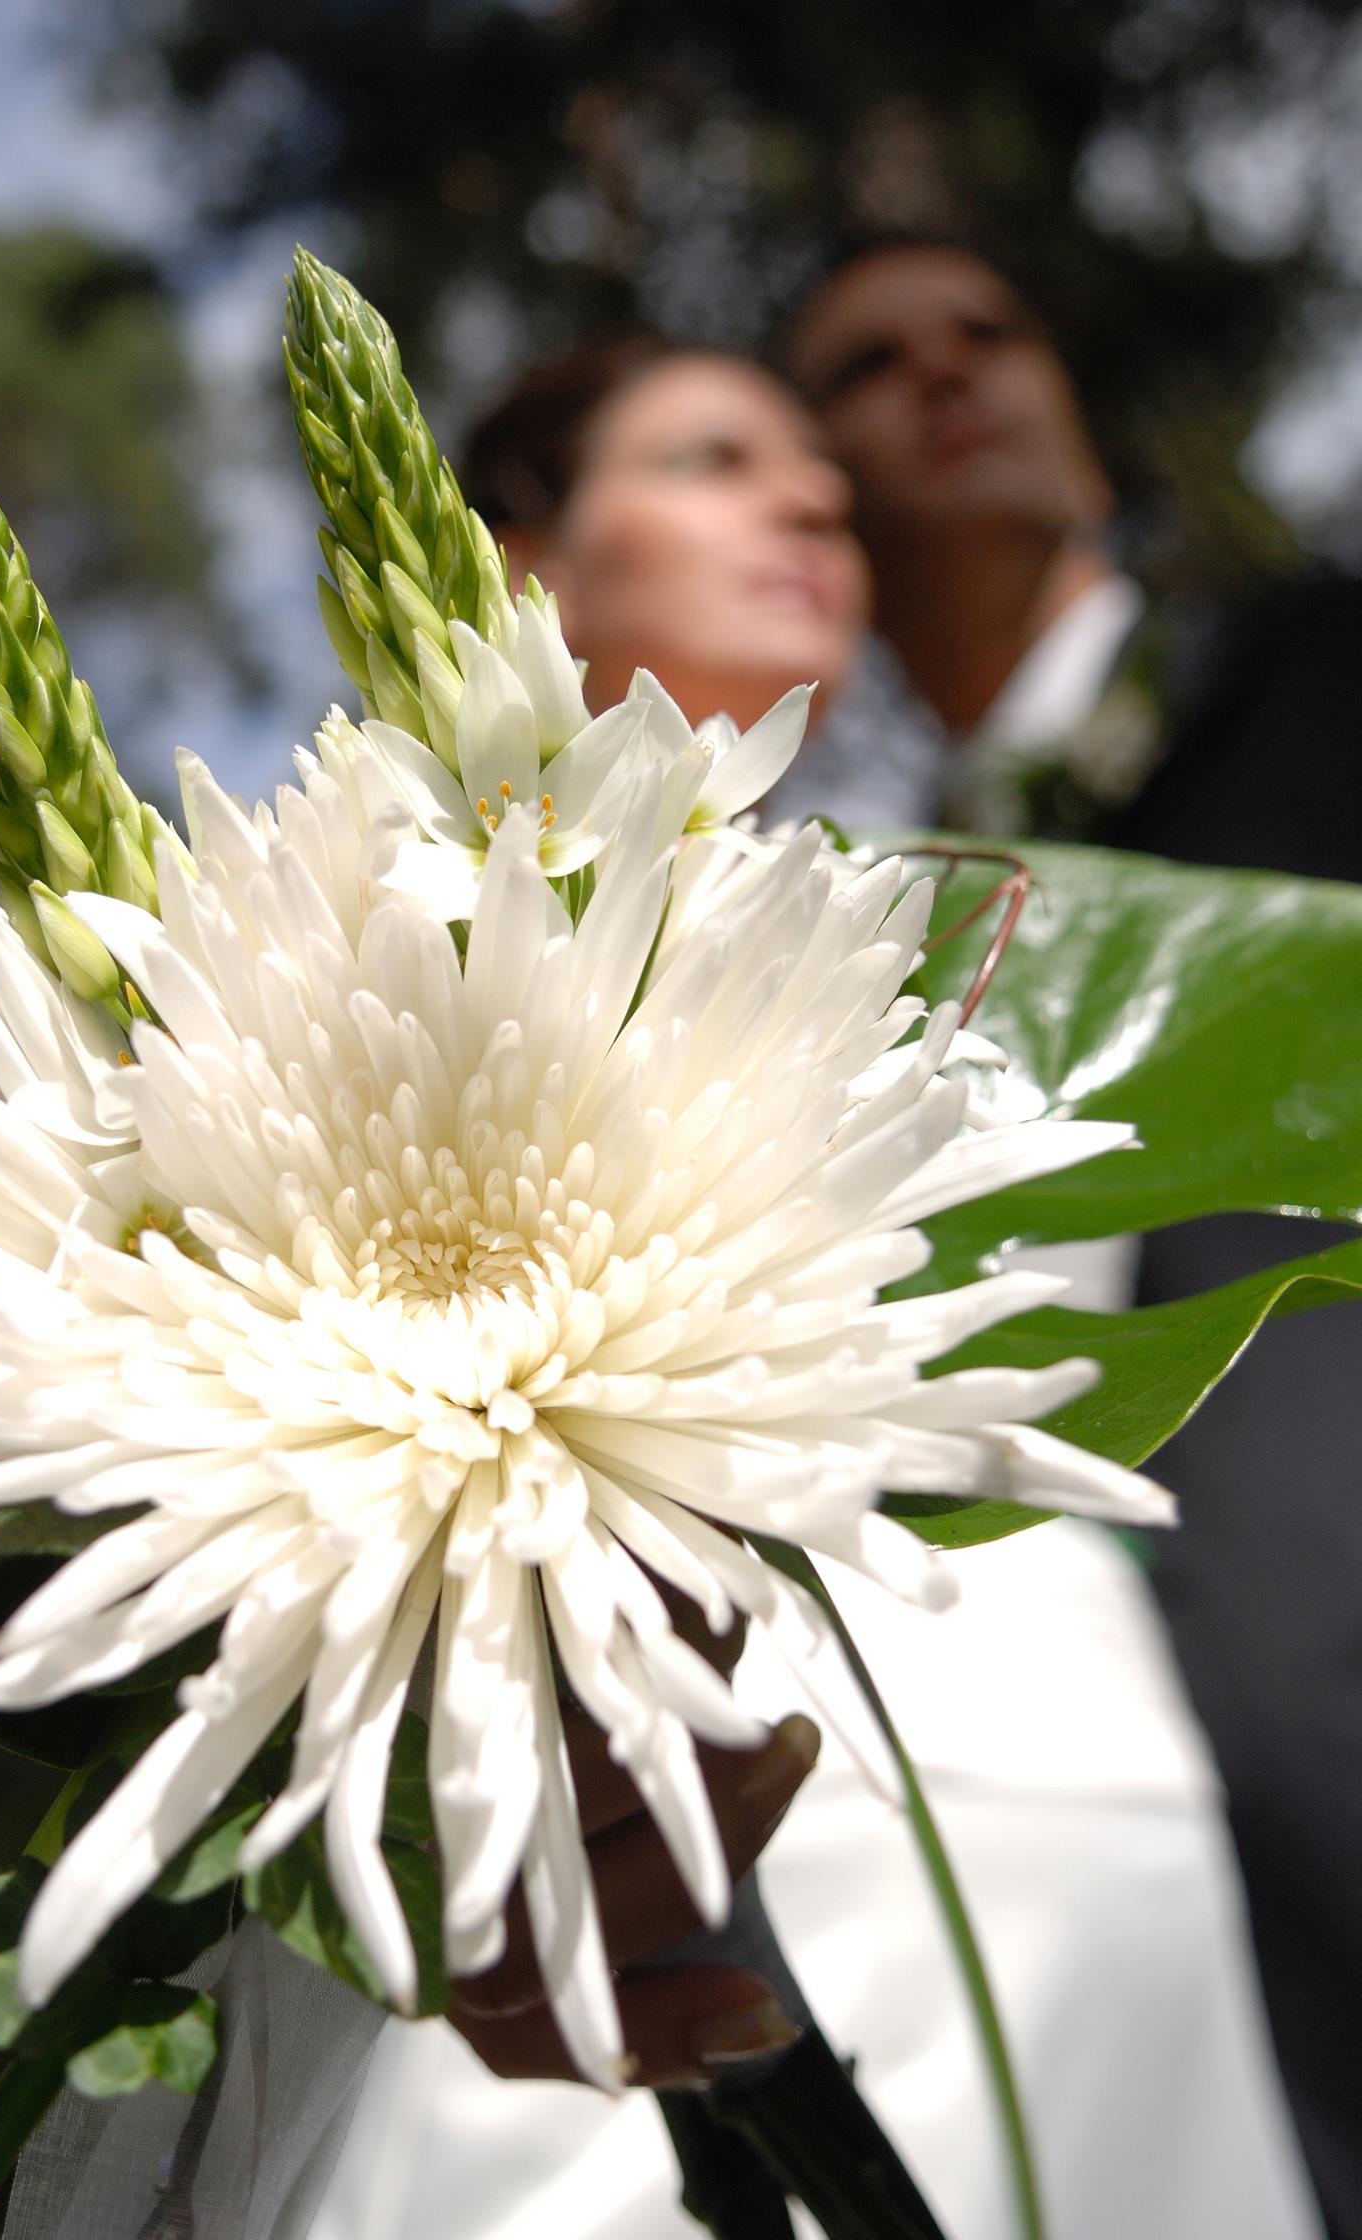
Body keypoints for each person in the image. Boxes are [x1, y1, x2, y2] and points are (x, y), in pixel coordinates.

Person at [304, 339, 1319, 2240]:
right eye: (713, 459)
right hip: (641, 1791)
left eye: (828, 495)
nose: (806, 508)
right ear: (527, 563)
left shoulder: (1023, 914)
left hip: (1101, 1803)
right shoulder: (344, 937)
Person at [788, 236, 1362, 2239]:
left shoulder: (1318, 664)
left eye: (987, 330)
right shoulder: (852, 918)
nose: (947, 371)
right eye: (872, 363)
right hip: (1066, 1713)